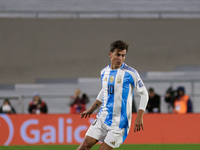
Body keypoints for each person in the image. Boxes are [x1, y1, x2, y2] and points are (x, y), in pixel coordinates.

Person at [77, 40, 149, 150]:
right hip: (103, 118)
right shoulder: (104, 72)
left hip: (119, 123)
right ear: (110, 54)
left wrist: (139, 116)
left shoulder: (130, 73)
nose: (120, 58)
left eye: (123, 55)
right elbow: (104, 91)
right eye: (118, 55)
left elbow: (144, 94)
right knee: (84, 146)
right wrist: (91, 109)